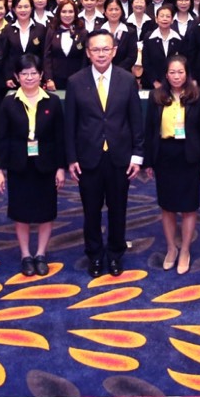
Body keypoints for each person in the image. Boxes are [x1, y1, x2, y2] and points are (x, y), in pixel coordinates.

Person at [65, 29, 144, 278]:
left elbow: (136, 121)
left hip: (120, 157)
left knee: (118, 209)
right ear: (88, 53)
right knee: (91, 211)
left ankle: (116, 254)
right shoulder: (75, 81)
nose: (101, 54)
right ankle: (95, 255)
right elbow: (70, 124)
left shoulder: (127, 80)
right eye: (96, 49)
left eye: (106, 49)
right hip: (87, 158)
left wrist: (137, 156)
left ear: (114, 51)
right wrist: (71, 158)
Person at [0, 54, 67, 278]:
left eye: (33, 73)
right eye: (24, 73)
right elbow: (2, 138)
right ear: (16, 77)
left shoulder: (52, 101)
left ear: (41, 75)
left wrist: (61, 168)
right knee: (21, 211)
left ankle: (41, 254)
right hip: (18, 165)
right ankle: (26, 255)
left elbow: (60, 137)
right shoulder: (8, 102)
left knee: (46, 211)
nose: (29, 77)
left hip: (46, 164)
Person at [144, 54, 200, 274]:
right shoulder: (156, 96)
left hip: (189, 155)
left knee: (189, 206)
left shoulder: (198, 95)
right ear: (166, 75)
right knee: (167, 206)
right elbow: (149, 130)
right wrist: (148, 161)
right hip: (164, 155)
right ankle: (171, 248)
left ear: (187, 73)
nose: (176, 76)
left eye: (180, 72)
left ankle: (184, 250)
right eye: (172, 72)